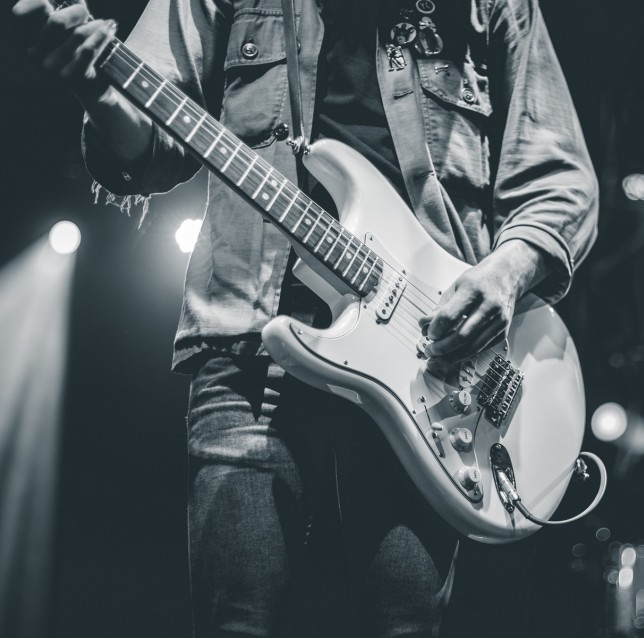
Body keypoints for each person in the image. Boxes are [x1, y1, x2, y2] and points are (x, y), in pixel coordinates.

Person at [12, 0, 598, 635]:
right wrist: (97, 87)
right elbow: (150, 144)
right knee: (236, 622)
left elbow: (559, 175)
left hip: (428, 367)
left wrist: (506, 273)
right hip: (246, 347)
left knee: (401, 626)